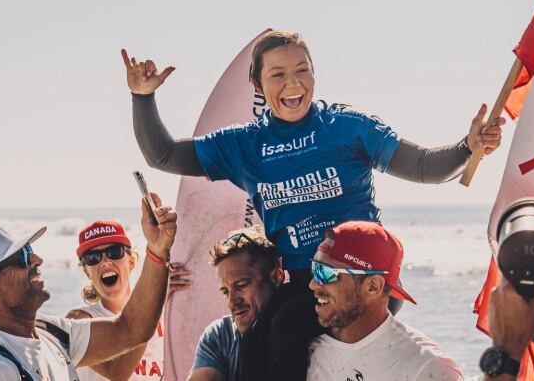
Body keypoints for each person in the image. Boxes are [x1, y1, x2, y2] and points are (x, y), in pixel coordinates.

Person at [123, 29, 505, 288]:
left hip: (363, 275)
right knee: (263, 346)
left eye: (302, 71)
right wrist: (143, 97)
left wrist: (467, 148)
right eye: (278, 75)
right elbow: (164, 154)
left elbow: (423, 167)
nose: (293, 84)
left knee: (287, 335)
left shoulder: (347, 127)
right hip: (301, 281)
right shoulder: (243, 145)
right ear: (257, 85)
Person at [0, 193, 177, 380]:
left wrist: (156, 251)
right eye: (21, 257)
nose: (36, 260)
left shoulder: (51, 333)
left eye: (30, 251)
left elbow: (132, 329)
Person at [305, 221, 463, 381]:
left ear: (373, 286)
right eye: (314, 268)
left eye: (325, 273)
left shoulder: (427, 368)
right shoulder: (302, 353)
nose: (313, 284)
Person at [65, 220, 192, 380]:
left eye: (114, 252)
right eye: (93, 257)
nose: (105, 261)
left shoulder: (168, 309)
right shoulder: (78, 321)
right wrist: (156, 291)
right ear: (87, 272)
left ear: (131, 262)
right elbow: (116, 373)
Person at [187, 226, 313, 381]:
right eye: (226, 292)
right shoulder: (220, 335)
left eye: (241, 285)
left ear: (276, 278)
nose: (232, 301)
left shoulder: (309, 323)